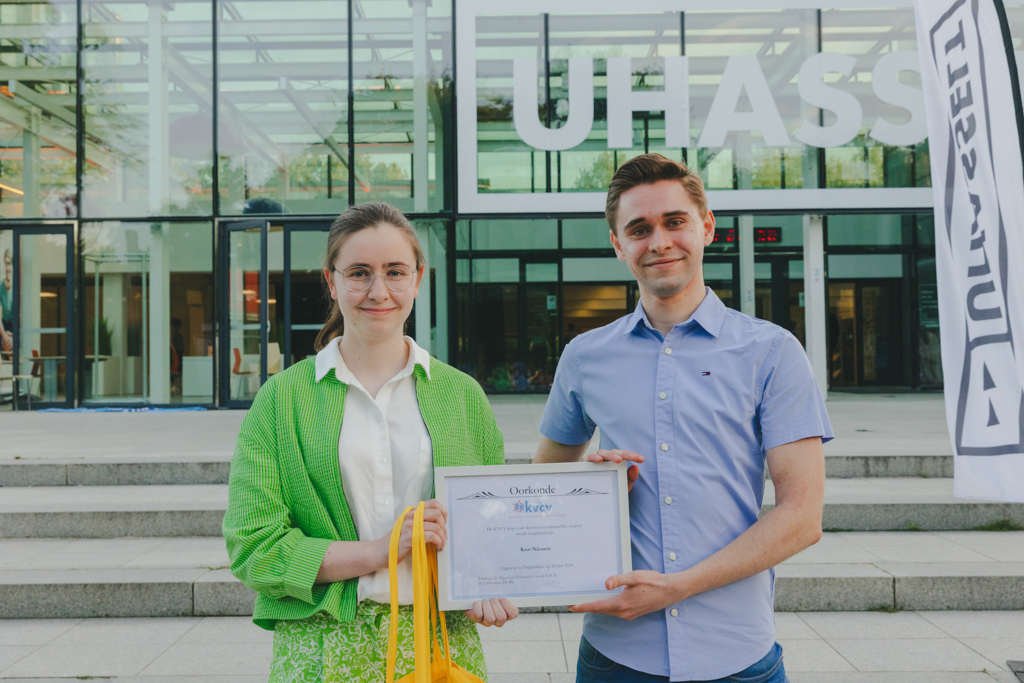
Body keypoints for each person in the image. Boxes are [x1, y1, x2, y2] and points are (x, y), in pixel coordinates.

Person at [534, 154, 832, 683]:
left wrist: (677, 588)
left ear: (706, 227)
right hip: (617, 655)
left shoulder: (772, 352)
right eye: (639, 229)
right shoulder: (584, 356)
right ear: (618, 244)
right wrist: (592, 483)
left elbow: (803, 517)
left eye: (675, 221)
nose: (660, 242)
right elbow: (542, 489)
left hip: (737, 654)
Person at [224, 202, 518, 683]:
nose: (379, 291)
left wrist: (489, 582)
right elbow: (253, 548)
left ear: (417, 279)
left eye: (395, 272)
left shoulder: (462, 395)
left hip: (440, 644)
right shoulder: (282, 399)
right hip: (320, 649)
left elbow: (492, 523)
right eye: (359, 273)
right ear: (332, 281)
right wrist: (380, 550)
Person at [1, 249, 12, 354]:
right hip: (3, 328)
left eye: (11, 264)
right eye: (7, 264)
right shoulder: (1, 287)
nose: (8, 268)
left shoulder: (19, 287)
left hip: (15, 328)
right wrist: (4, 335)